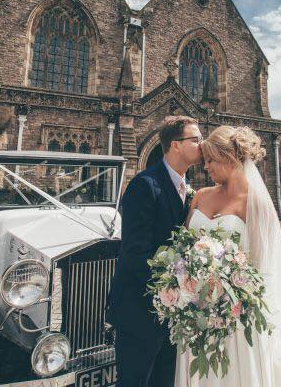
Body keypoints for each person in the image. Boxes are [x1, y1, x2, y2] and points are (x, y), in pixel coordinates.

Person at [176, 125, 281, 387]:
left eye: (210, 160)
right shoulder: (201, 197)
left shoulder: (257, 205)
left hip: (233, 318)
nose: (205, 167)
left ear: (228, 157)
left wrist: (227, 294)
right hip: (194, 310)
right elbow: (183, 250)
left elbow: (263, 272)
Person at [107, 115, 203, 387]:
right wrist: (173, 290)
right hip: (139, 313)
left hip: (172, 315)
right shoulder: (144, 185)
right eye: (195, 139)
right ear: (175, 145)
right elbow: (135, 253)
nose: (201, 144)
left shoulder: (187, 188)